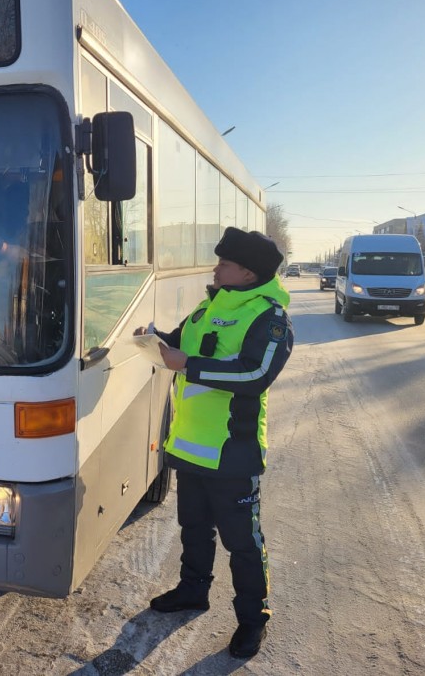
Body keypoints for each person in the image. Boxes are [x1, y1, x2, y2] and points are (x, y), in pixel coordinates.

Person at [136, 227, 293, 659]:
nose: (215, 267)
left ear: (247, 272)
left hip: (232, 453)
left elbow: (254, 375)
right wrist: (155, 339)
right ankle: (192, 591)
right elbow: (179, 342)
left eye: (223, 262)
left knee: (243, 543)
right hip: (190, 447)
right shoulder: (209, 306)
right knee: (194, 528)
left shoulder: (269, 318)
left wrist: (186, 364)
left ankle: (252, 620)